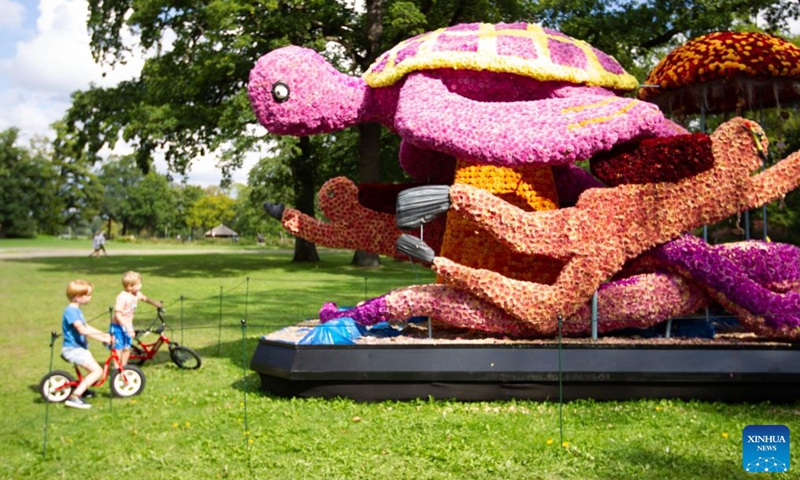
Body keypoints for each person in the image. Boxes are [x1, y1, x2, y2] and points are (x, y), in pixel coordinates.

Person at [61, 280, 111, 409]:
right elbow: (82, 330)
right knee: (97, 371)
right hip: (73, 349)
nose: (90, 297)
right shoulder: (71, 311)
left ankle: (83, 389)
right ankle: (75, 396)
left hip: (78, 348)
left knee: (93, 370)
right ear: (77, 297)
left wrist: (104, 334)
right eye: (88, 295)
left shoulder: (76, 310)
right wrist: (101, 338)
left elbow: (86, 326)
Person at [111, 271, 163, 366]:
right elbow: (118, 315)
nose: (141, 285)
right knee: (118, 348)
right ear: (130, 286)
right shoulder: (122, 297)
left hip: (128, 325)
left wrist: (156, 304)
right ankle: (117, 369)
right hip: (118, 326)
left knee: (127, 347)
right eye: (138, 284)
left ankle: (124, 367)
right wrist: (128, 327)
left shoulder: (136, 294)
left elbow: (144, 298)